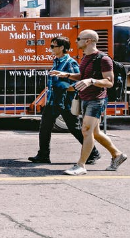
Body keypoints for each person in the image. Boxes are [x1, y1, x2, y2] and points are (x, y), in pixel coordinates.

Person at [51, 29, 127, 176]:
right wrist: (66, 75)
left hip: (96, 100)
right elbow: (82, 76)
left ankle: (81, 165)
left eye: (79, 39)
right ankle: (117, 155)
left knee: (86, 131)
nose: (76, 41)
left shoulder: (104, 59)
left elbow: (109, 82)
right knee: (96, 133)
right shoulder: (85, 57)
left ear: (88, 41)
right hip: (85, 98)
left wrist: (91, 81)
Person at [29, 36, 100, 165]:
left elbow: (78, 81)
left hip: (65, 101)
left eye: (53, 46)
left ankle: (93, 153)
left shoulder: (70, 62)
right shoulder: (56, 60)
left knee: (74, 128)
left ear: (61, 48)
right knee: (45, 126)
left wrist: (65, 88)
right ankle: (43, 155)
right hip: (53, 100)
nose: (50, 48)